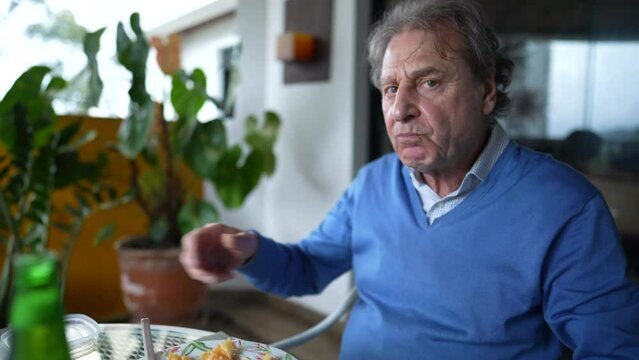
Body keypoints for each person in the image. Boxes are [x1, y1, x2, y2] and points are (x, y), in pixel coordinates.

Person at [180, 0, 639, 358]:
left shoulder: (565, 207)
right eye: (391, 88)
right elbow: (307, 267)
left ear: (486, 90)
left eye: (429, 83)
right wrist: (248, 251)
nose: (400, 111)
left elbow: (613, 348)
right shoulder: (374, 183)